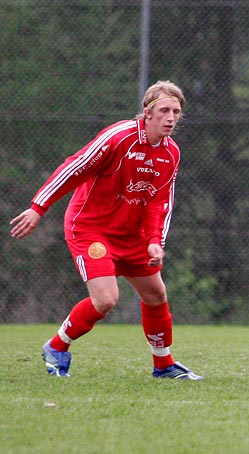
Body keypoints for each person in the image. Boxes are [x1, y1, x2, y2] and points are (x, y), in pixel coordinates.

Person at [10, 80, 202, 380]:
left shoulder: (171, 153)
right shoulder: (119, 137)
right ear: (147, 112)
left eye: (176, 112)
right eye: (164, 110)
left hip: (132, 234)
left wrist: (155, 241)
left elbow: (160, 201)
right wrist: (39, 207)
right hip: (91, 229)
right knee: (106, 299)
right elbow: (74, 168)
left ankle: (163, 365)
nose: (171, 117)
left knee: (156, 294)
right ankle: (57, 347)